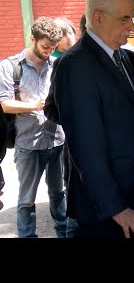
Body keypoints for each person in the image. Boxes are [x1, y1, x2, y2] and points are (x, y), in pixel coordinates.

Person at [54, 0, 134, 238]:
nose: (132, 26)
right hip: (107, 208)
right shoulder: (76, 65)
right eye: (124, 19)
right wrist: (116, 207)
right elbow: (86, 145)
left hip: (133, 193)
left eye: (132, 18)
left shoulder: (121, 56)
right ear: (98, 17)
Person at [0, 16, 67, 238]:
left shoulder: (56, 65)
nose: (49, 51)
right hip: (27, 143)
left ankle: (64, 233)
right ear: (32, 39)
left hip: (56, 140)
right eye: (45, 46)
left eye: (53, 48)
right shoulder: (10, 67)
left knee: (59, 194)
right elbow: (4, 103)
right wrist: (35, 106)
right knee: (26, 199)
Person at [43, 17, 80, 237]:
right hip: (73, 150)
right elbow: (51, 109)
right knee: (74, 214)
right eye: (60, 35)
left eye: (68, 33)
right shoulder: (61, 63)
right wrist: (79, 122)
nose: (66, 39)